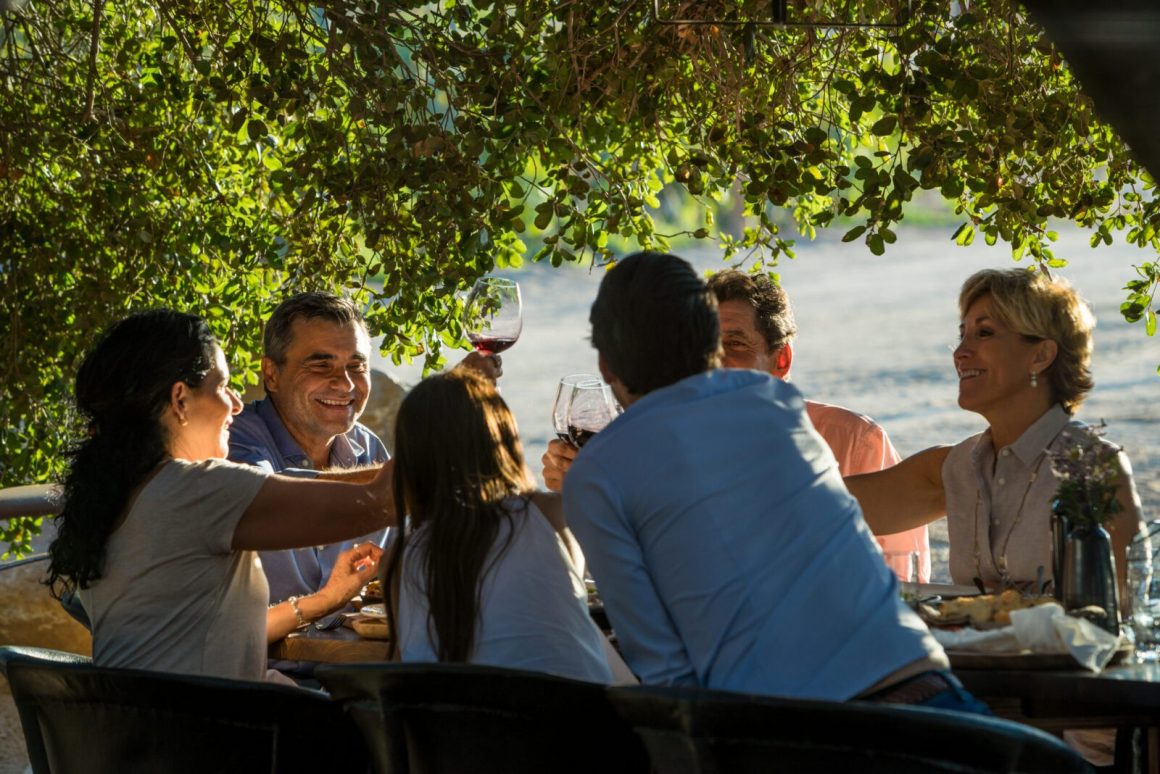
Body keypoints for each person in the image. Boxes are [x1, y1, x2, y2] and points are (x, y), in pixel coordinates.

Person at [560, 252, 983, 711]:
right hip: (924, 684)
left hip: (795, 722)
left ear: (606, 365)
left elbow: (665, 670)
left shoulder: (599, 471)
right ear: (708, 346)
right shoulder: (776, 405)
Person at [46, 309, 395, 684]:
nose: (237, 404)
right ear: (180, 400)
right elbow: (378, 503)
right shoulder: (199, 489)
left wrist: (326, 599)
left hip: (148, 715)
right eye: (223, 387)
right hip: (207, 719)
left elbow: (206, 635)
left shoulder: (126, 489)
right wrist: (436, 425)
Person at [845, 268, 1144, 592]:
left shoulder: (1093, 467)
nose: (960, 352)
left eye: (984, 333)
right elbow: (823, 507)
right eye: (963, 334)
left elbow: (1128, 600)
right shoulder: (958, 468)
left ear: (1041, 355)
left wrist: (1029, 610)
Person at [227, 292, 499, 639]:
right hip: (265, 666)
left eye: (357, 366)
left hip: (352, 659)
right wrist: (442, 422)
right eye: (321, 365)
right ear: (272, 374)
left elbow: (410, 553)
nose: (345, 383)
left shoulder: (367, 446)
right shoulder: (235, 439)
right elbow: (275, 495)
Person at [381, 370, 621, 684]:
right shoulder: (551, 515)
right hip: (566, 711)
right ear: (503, 440)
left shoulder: (398, 559)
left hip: (457, 714)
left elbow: (402, 674)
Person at [705, 269, 930, 582]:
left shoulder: (855, 443)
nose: (715, 362)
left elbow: (903, 581)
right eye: (705, 347)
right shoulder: (673, 448)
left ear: (781, 360)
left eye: (735, 343)